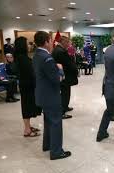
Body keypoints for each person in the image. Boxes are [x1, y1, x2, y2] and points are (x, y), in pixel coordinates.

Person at [33, 31, 71, 160]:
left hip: (42, 94)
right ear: (45, 42)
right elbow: (57, 79)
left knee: (48, 121)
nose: (52, 43)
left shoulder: (37, 55)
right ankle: (56, 152)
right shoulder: (47, 58)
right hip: (50, 96)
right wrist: (60, 69)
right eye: (50, 41)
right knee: (55, 122)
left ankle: (47, 145)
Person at [14, 37, 42, 137]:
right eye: (28, 44)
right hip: (27, 86)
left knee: (28, 106)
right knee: (26, 107)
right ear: (23, 46)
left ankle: (28, 126)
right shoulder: (22, 58)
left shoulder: (22, 57)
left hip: (27, 86)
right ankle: (27, 130)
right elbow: (30, 73)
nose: (30, 45)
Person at [52, 36, 78, 119]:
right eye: (67, 42)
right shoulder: (61, 51)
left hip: (62, 75)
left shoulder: (57, 49)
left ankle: (65, 107)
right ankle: (62, 111)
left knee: (65, 92)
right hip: (64, 76)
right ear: (62, 42)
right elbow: (68, 64)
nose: (68, 44)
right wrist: (75, 70)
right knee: (65, 94)